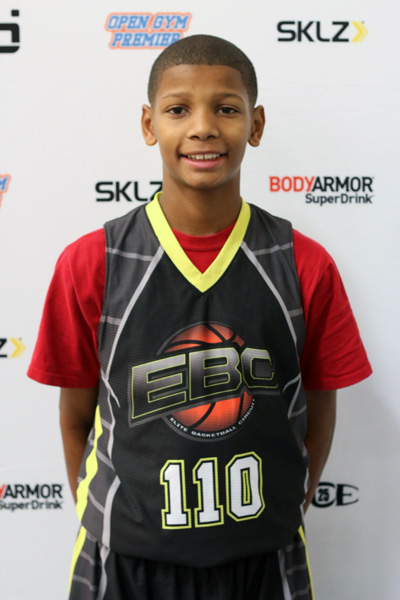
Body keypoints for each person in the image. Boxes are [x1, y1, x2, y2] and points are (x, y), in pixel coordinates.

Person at [28, 35, 372, 600]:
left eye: (227, 109)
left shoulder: (302, 264)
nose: (204, 127)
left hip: (263, 558)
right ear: (149, 124)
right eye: (178, 109)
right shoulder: (93, 263)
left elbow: (318, 409)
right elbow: (75, 419)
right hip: (126, 564)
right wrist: (111, 518)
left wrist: (282, 508)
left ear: (256, 125)